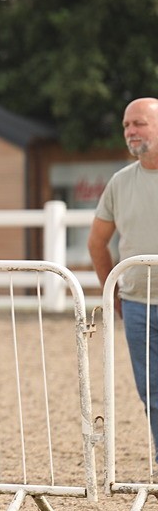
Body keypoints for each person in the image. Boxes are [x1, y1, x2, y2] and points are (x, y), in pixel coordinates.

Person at [88, 97, 158, 460]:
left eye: (139, 123)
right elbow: (96, 242)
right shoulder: (120, 182)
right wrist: (112, 292)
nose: (131, 131)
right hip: (138, 306)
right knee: (152, 390)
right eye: (127, 126)